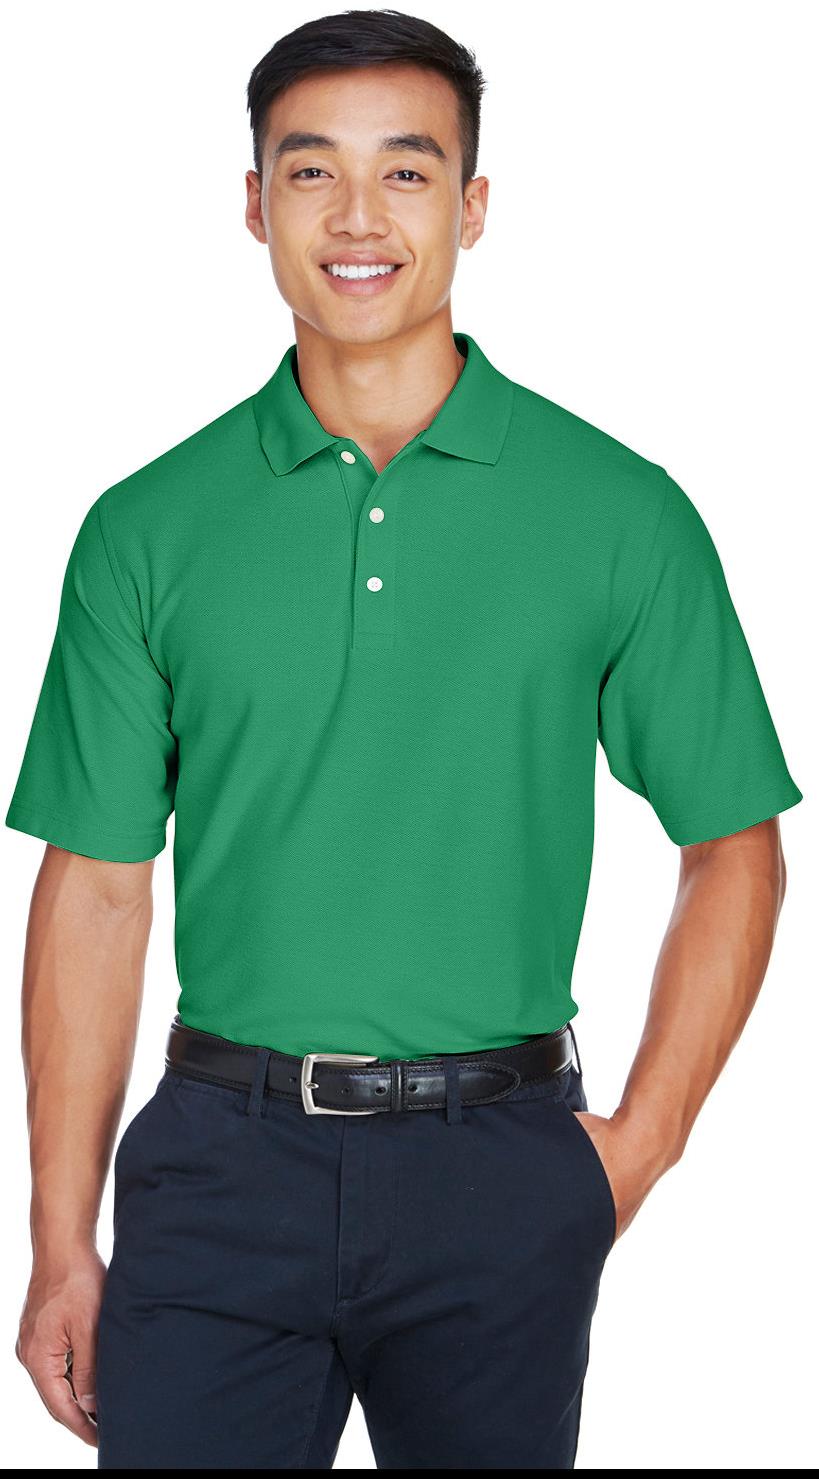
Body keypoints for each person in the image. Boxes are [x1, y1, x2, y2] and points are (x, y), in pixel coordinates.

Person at [7, 9, 803, 1471]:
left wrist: (638, 1148)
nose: (359, 218)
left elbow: (733, 845)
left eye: (408, 172)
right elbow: (100, 887)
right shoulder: (145, 528)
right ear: (255, 205)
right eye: (312, 172)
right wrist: (61, 1238)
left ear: (473, 205)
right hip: (220, 1166)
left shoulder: (620, 513)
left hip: (502, 1163)